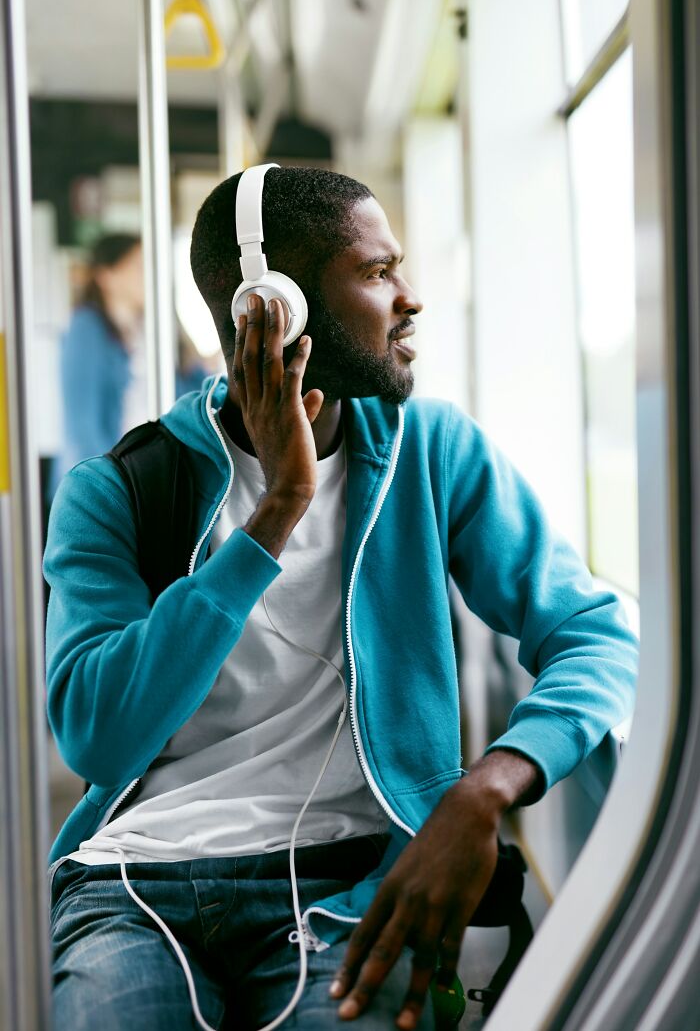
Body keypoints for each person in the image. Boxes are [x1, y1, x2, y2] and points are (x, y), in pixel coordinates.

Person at [44, 167, 638, 1031]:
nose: (410, 298)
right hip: (134, 888)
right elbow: (99, 737)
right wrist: (275, 516)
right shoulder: (118, 491)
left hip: (344, 882)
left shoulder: (433, 453)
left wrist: (486, 790)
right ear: (269, 306)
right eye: (376, 272)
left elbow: (594, 632)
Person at [53, 232, 145, 490]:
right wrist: (105, 488)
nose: (149, 274)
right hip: (99, 485)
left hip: (138, 476)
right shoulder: (86, 327)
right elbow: (83, 426)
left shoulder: (147, 330)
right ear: (107, 276)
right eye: (138, 266)